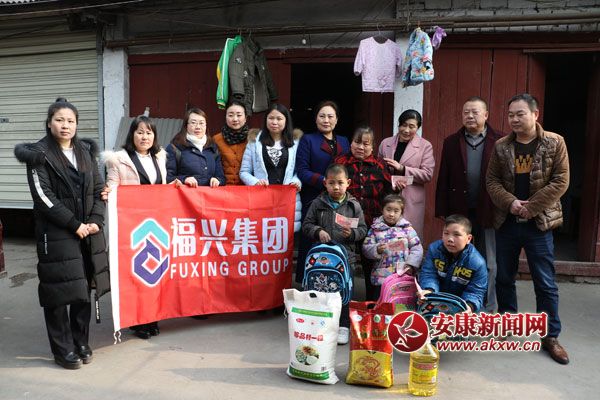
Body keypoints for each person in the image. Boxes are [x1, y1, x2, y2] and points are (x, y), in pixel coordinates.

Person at [14, 98, 109, 369]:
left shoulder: (85, 152)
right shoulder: (38, 154)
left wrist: (95, 220)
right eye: (59, 120)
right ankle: (62, 349)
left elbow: (99, 189)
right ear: (49, 123)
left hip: (88, 231)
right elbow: (43, 197)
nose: (65, 125)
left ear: (76, 124)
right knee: (58, 292)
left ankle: (81, 341)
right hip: (57, 232)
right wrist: (74, 224)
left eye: (70, 121)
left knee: (83, 289)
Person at [486, 93, 570, 365]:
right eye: (511, 115)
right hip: (508, 222)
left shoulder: (555, 142)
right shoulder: (501, 146)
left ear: (535, 114)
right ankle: (507, 323)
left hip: (539, 224)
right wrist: (510, 203)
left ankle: (550, 336)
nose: (514, 119)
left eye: (520, 114)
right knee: (504, 277)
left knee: (545, 282)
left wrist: (531, 207)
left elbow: (560, 181)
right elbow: (492, 181)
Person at [435, 97, 504, 313]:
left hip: (489, 209)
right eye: (466, 112)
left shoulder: (500, 140)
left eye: (475, 112)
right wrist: (442, 209)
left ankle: (488, 308)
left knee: (489, 261)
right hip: (460, 210)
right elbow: (444, 177)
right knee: (457, 258)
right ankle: (458, 305)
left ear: (486, 115)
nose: (470, 116)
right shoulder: (451, 141)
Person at [102, 115, 168, 339]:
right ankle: (137, 321)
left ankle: (152, 317)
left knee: (155, 273)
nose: (144, 137)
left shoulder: (159, 158)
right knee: (136, 274)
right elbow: (112, 186)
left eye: (149, 132)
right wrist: (108, 193)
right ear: (132, 135)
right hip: (131, 228)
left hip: (155, 225)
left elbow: (162, 188)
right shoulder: (118, 160)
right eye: (140, 132)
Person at [302, 163, 367, 345]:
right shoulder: (318, 203)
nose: (336, 187)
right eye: (331, 183)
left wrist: (352, 234)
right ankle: (320, 324)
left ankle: (343, 325)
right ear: (325, 183)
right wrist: (318, 231)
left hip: (346, 257)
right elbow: (306, 225)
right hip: (322, 258)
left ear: (348, 183)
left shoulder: (353, 206)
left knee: (343, 292)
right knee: (321, 290)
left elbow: (363, 229)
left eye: (340, 183)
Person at [335, 125, 393, 299]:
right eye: (357, 142)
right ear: (351, 143)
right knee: (343, 261)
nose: (361, 147)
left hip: (372, 222)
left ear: (372, 146)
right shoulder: (340, 162)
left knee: (372, 263)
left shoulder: (380, 165)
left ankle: (372, 303)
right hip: (345, 221)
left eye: (366, 144)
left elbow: (388, 194)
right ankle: (341, 302)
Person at [295, 100, 350, 282]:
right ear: (316, 119)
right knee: (311, 238)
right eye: (322, 116)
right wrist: (325, 182)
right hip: (315, 197)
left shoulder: (344, 141)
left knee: (338, 238)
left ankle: (337, 280)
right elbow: (302, 170)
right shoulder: (308, 140)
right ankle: (307, 281)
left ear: (337, 119)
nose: (326, 120)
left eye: (330, 116)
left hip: (339, 199)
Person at [239, 103, 302, 231]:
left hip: (287, 198)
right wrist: (255, 182)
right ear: (266, 119)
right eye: (271, 118)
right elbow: (244, 171)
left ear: (286, 121)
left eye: (279, 119)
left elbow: (301, 170)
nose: (274, 122)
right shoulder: (254, 142)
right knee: (261, 234)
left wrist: (296, 182)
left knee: (285, 235)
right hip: (261, 198)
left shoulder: (296, 143)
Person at [378, 109, 434, 238]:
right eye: (403, 125)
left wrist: (402, 168)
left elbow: (427, 174)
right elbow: (378, 170)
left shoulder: (425, 146)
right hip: (388, 196)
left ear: (418, 127)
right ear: (398, 125)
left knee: (409, 238)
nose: (406, 130)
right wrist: (390, 183)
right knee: (385, 237)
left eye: (412, 126)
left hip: (411, 199)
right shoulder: (385, 143)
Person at [419, 214, 487, 313]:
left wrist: (469, 306)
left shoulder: (477, 262)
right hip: (435, 300)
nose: (450, 239)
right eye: (446, 233)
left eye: (456, 235)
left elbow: (476, 292)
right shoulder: (434, 249)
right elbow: (429, 274)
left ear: (469, 239)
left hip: (461, 305)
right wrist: (429, 291)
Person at [362, 194, 423, 301]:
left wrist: (411, 265)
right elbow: (366, 248)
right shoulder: (375, 229)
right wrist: (376, 249)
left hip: (402, 275)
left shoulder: (407, 229)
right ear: (382, 210)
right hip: (381, 277)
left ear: (401, 212)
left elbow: (417, 248)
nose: (391, 214)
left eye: (396, 211)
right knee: (381, 304)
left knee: (401, 304)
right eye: (388, 209)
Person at [166, 108, 226, 187]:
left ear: (206, 126)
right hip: (185, 193)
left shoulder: (212, 147)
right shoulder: (175, 148)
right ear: (186, 125)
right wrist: (184, 179)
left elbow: (221, 177)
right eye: (193, 123)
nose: (198, 127)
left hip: (209, 194)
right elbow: (168, 178)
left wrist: (218, 180)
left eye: (201, 123)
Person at [213, 100, 250, 185]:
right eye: (230, 115)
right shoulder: (216, 139)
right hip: (223, 187)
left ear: (245, 118)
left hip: (247, 188)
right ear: (225, 117)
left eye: (239, 115)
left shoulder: (252, 139)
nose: (235, 119)